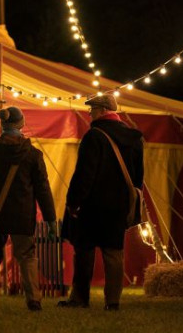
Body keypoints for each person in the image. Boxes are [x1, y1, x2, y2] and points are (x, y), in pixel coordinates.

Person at [59, 94, 143, 311]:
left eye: (93, 109)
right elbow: (138, 177)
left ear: (103, 110)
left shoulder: (94, 136)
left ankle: (80, 298)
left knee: (84, 251)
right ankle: (113, 301)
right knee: (114, 252)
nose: (90, 113)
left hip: (92, 205)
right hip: (119, 206)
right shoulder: (134, 138)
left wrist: (73, 202)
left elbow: (84, 174)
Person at [0, 106, 57, 312]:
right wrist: (50, 219)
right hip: (22, 215)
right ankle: (34, 300)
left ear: (2, 124)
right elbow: (43, 190)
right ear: (21, 124)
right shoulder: (33, 155)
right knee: (27, 256)